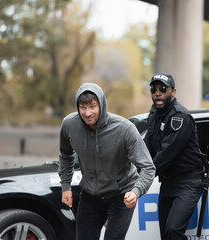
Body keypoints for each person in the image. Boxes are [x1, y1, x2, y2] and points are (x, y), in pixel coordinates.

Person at [58, 83, 156, 240]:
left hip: (121, 195)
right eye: (83, 107)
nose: (88, 113)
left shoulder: (124, 129)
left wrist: (135, 192)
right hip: (90, 196)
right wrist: (65, 186)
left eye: (92, 106)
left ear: (101, 105)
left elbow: (148, 168)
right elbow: (65, 154)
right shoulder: (69, 125)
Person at [143, 72, 206, 240]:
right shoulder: (154, 115)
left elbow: (166, 154)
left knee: (173, 230)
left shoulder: (180, 117)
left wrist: (141, 178)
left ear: (173, 92)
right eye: (154, 89)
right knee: (165, 234)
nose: (157, 93)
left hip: (188, 182)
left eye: (163, 89)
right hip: (168, 181)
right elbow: (147, 148)